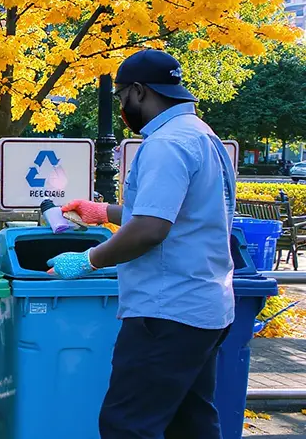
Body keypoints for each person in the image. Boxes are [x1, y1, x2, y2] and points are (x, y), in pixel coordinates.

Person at [48, 49, 237, 439]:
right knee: (191, 424)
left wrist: (87, 260)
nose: (122, 107)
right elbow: (182, 214)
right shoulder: (203, 135)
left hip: (166, 312)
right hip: (206, 307)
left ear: (138, 91)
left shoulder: (166, 143)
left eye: (121, 97)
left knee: (127, 425)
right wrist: (103, 211)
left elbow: (151, 228)